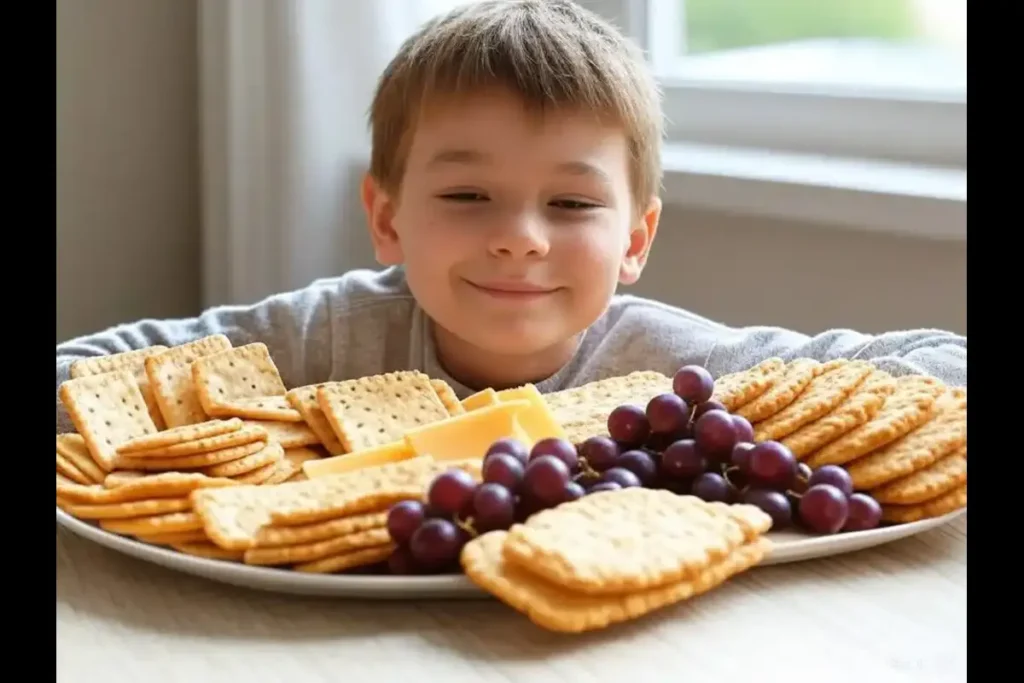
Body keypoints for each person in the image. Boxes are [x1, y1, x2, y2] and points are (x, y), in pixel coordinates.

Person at [55, 0, 965, 435]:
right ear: (387, 218)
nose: (520, 235)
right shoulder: (328, 336)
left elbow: (943, 362)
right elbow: (83, 375)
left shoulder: (673, 368)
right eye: (465, 195)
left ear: (636, 239)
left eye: (571, 203)